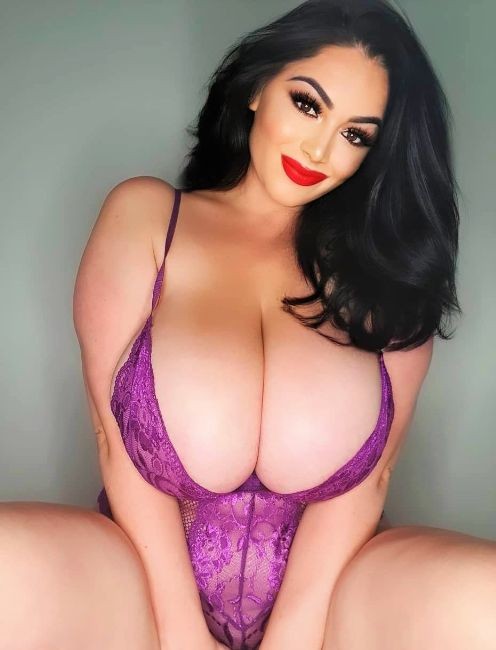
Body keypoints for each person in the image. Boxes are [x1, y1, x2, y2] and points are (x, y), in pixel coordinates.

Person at [1, 1, 495, 649]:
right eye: (308, 104)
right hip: (140, 587)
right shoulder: (147, 218)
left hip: (332, 600)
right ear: (258, 88)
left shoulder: (387, 274)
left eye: (356, 135)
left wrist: (296, 638)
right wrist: (179, 633)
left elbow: (369, 481)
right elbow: (113, 440)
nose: (319, 148)